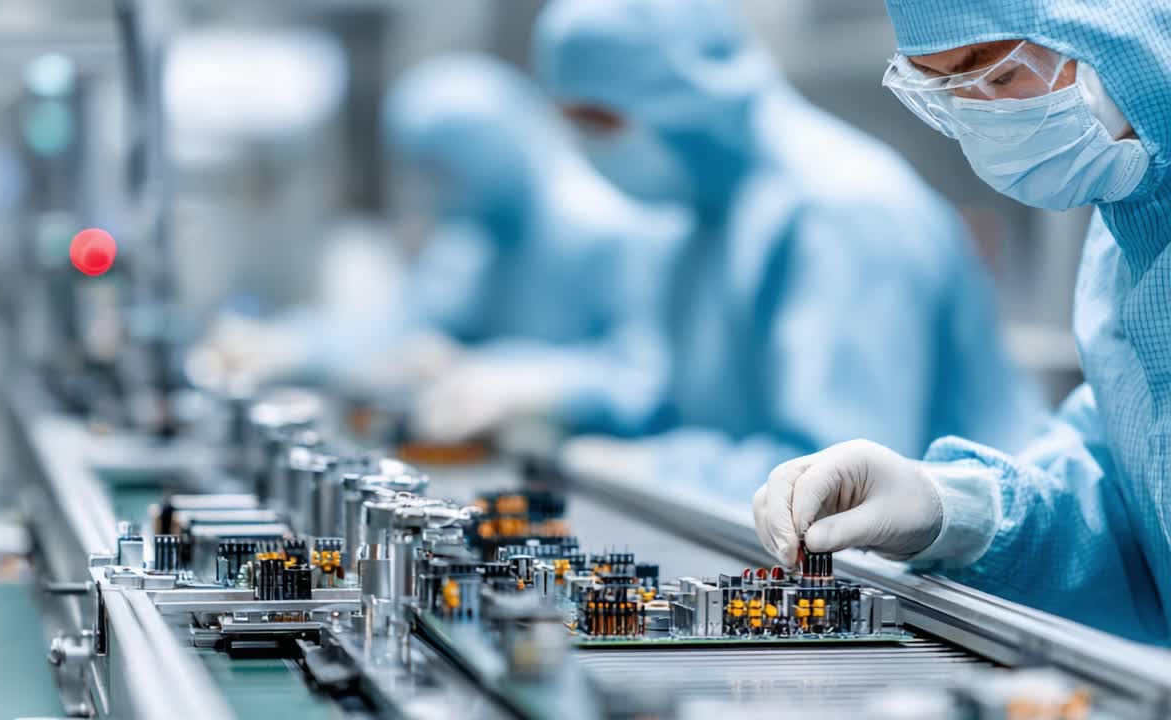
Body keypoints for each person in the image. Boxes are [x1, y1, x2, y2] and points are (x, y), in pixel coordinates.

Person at [751, 0, 1171, 644]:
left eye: (1001, 77)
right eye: (948, 89)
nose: (989, 116)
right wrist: (956, 511)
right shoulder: (1125, 245)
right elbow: (1135, 511)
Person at [536, 0, 1044, 498]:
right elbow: (678, 399)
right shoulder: (705, 214)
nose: (585, 147)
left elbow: (837, 476)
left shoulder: (841, 211)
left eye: (597, 120)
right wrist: (551, 391)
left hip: (946, 572)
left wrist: (658, 467)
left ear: (682, 94)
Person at [195, 55, 685, 440]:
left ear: (493, 147)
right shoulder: (479, 236)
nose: (436, 192)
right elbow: (403, 326)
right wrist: (293, 344)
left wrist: (535, 385)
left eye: (446, 171)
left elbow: (645, 378)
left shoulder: (608, 224)